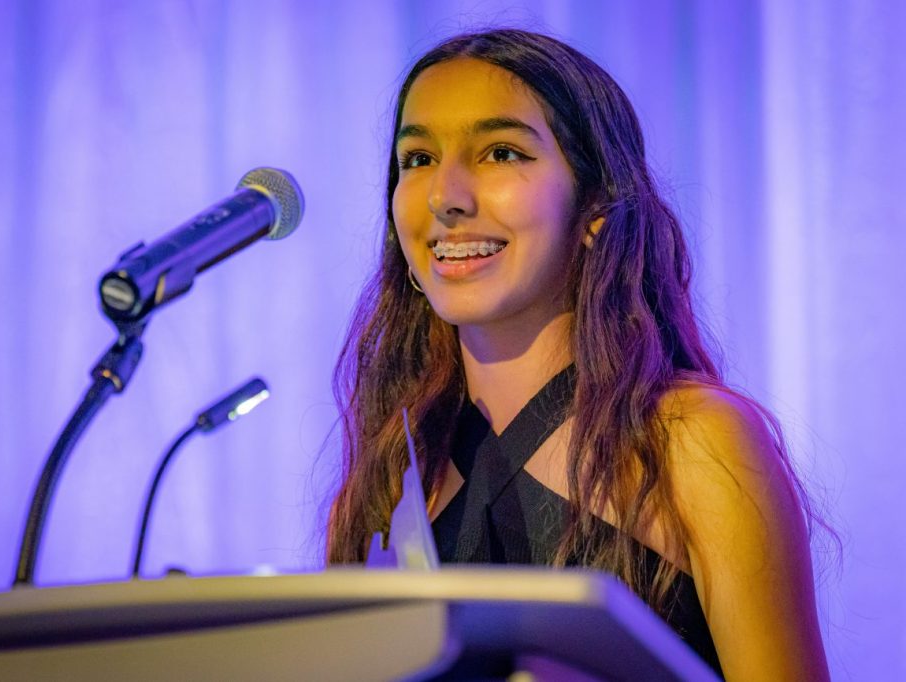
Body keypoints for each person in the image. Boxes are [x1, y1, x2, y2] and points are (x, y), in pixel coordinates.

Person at [326, 28, 829, 680]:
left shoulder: (693, 441)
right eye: (417, 160)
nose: (446, 197)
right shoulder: (389, 472)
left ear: (595, 206)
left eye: (501, 152)